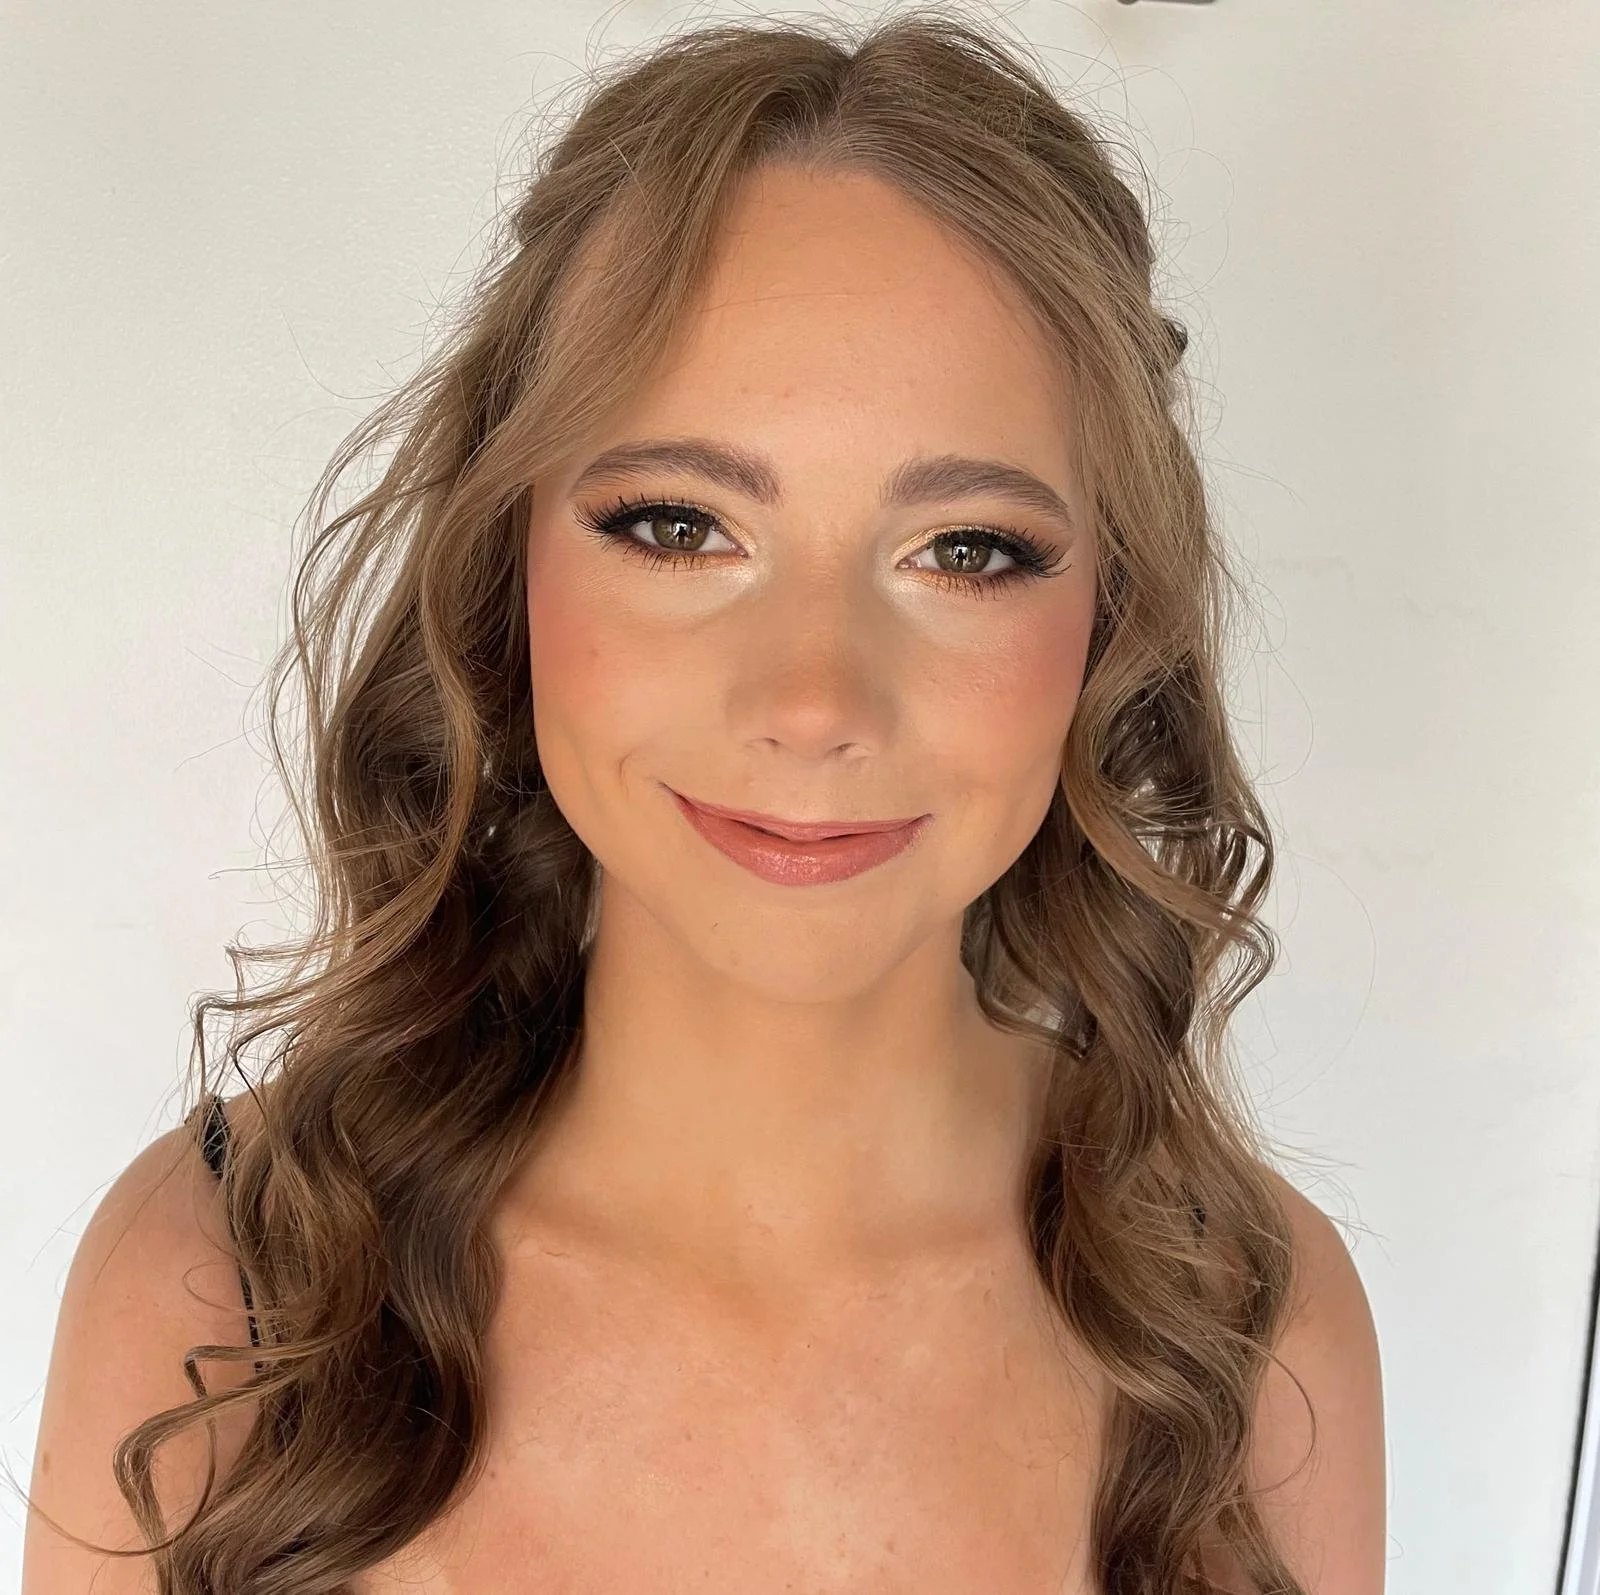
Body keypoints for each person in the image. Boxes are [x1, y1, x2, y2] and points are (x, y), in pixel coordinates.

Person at [20, 12, 1385, 1594]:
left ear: (1112, 617)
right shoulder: (233, 1286)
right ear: (505, 563)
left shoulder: (1247, 1334)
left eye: (969, 549)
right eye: (676, 525)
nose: (812, 701)